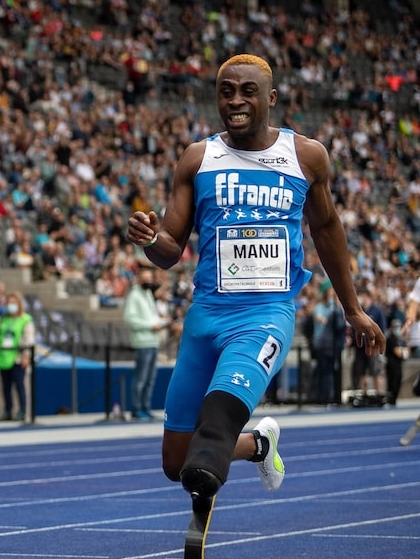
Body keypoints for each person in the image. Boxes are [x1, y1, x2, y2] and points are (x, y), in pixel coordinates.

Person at [126, 54, 384, 502]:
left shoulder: (305, 156)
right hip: (206, 316)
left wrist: (353, 308)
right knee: (176, 461)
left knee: (213, 429)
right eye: (226, 91)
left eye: (248, 91)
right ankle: (260, 444)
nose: (236, 100)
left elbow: (326, 230)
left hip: (265, 314)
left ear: (271, 97)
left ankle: (216, 457)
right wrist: (149, 240)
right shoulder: (197, 158)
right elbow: (169, 249)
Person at [123, 266, 168, 420]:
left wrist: (162, 322)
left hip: (153, 341)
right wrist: (150, 326)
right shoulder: (134, 295)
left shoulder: (148, 294)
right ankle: (136, 409)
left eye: (150, 278)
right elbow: (130, 319)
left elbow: (152, 315)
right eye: (145, 278)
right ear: (138, 278)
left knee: (150, 379)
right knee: (141, 378)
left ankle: (145, 407)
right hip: (143, 341)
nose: (148, 281)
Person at [0, 291, 34, 422]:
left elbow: (29, 339)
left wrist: (26, 356)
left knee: (19, 385)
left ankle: (22, 410)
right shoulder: (3, 318)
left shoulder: (25, 319)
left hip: (18, 357)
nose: (11, 305)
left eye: (14, 303)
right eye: (9, 302)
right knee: (6, 386)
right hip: (4, 356)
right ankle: (8, 410)